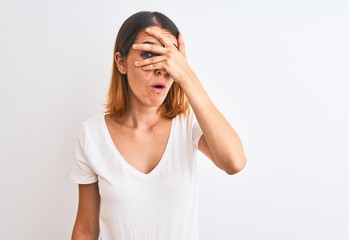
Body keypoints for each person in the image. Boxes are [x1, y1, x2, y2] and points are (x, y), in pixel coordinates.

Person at [70, 11, 247, 240]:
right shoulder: (92, 134)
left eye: (169, 57)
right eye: (148, 54)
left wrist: (187, 76)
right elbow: (86, 228)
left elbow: (234, 162)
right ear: (121, 62)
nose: (162, 68)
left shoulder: (188, 125)